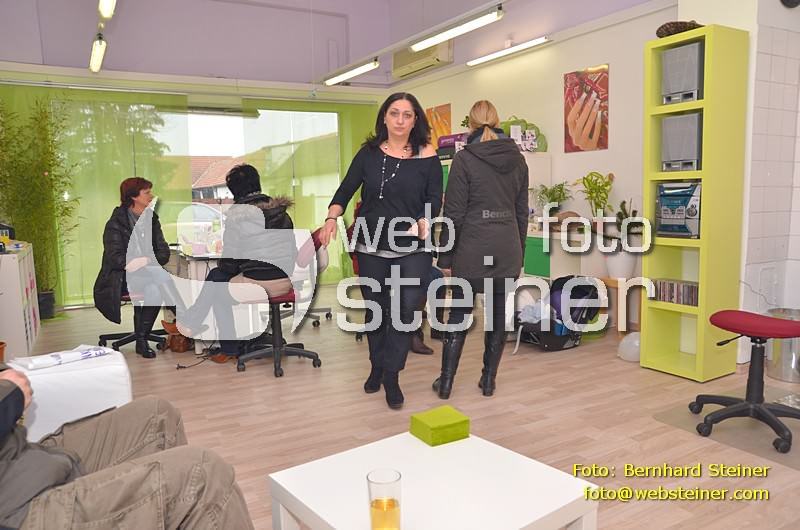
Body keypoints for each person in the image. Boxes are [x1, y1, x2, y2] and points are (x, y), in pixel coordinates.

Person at [0, 365, 254, 529]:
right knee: (203, 474)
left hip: (21, 458)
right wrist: (10, 393)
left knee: (157, 415)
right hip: (16, 509)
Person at [320, 92, 443, 410]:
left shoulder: (427, 154)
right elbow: (346, 190)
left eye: (407, 114)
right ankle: (377, 365)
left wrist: (424, 219)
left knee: (405, 310)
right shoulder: (369, 154)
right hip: (371, 242)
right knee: (376, 310)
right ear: (384, 118)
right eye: (394, 113)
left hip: (413, 244)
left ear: (415, 120)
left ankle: (391, 374)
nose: (400, 120)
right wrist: (332, 218)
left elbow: (434, 197)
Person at [433, 100, 529, 399]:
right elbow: (521, 213)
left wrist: (445, 257)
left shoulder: (464, 159)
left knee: (459, 314)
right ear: (497, 122)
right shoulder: (518, 160)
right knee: (498, 316)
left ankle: (446, 384)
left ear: (471, 125)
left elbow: (454, 215)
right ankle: (488, 382)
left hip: (472, 249)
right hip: (506, 249)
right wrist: (520, 255)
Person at [174, 164, 296, 359]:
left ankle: (226, 347)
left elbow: (230, 263)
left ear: (234, 191)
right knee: (217, 278)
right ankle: (194, 323)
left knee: (217, 283)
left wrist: (235, 265)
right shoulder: (281, 213)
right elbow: (291, 251)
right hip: (284, 282)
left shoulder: (238, 217)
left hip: (258, 285)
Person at [94, 177, 181, 359]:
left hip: (149, 275)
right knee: (158, 276)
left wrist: (145, 260)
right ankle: (184, 318)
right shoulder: (115, 224)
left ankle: (141, 340)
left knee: (154, 288)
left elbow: (163, 252)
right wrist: (143, 262)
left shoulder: (152, 220)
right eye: (147, 192)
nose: (151, 195)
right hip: (122, 278)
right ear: (134, 197)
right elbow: (116, 259)